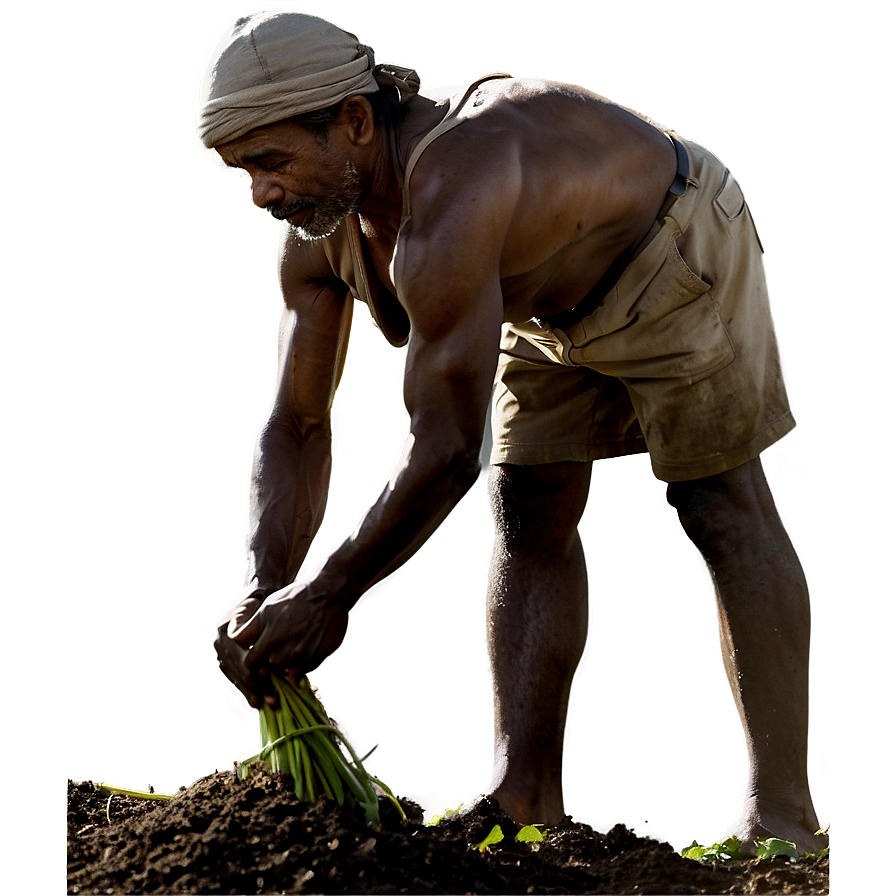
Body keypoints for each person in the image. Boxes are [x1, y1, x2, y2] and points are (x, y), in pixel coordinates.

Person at [197, 9, 825, 853]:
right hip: (544, 303)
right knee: (530, 511)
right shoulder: (325, 233)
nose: (261, 193)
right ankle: (528, 799)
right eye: (244, 170)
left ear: (353, 120)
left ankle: (787, 822)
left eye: (272, 162)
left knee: (720, 507)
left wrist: (331, 591)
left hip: (667, 245)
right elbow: (300, 425)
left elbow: (448, 450)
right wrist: (266, 591)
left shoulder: (462, 185)